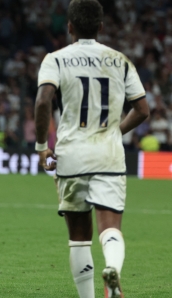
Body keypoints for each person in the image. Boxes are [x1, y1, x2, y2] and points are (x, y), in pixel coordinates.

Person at [34, 1, 149, 297]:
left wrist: (41, 147)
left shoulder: (55, 59)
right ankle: (112, 267)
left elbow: (44, 100)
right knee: (110, 227)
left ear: (69, 26)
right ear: (100, 27)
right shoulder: (120, 60)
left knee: (79, 238)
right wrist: (113, 132)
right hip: (108, 155)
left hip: (71, 155)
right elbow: (142, 109)